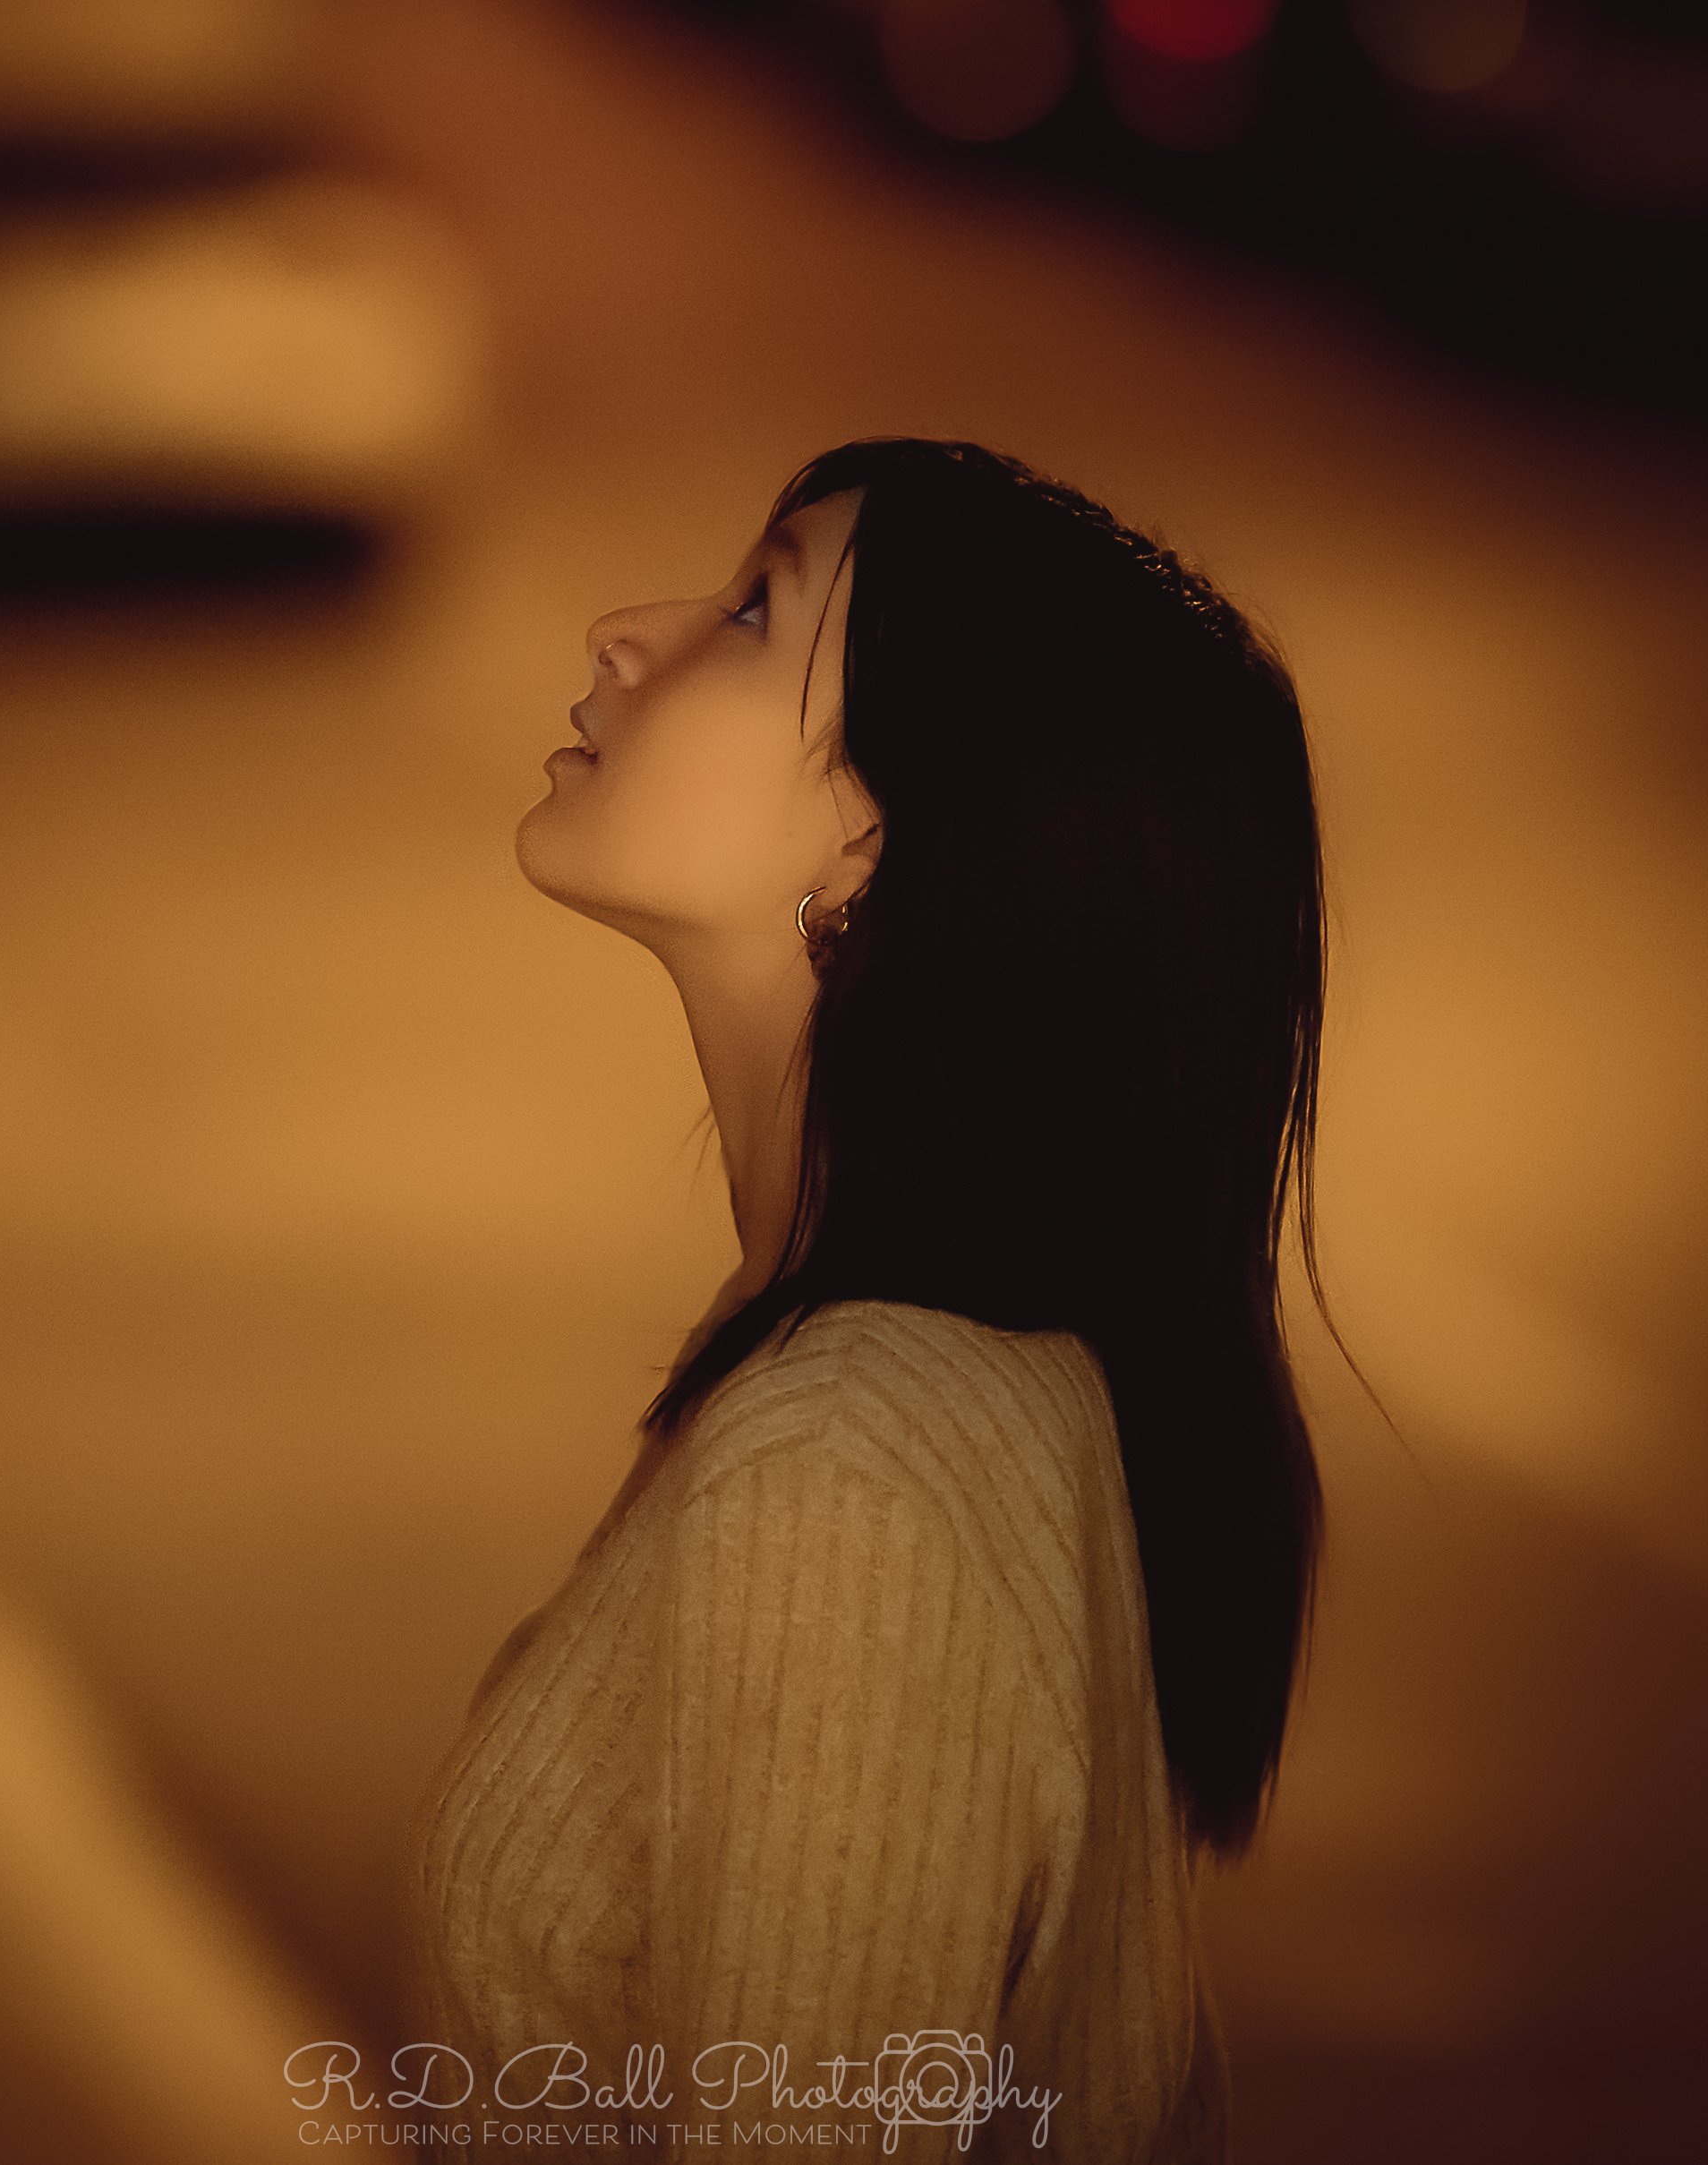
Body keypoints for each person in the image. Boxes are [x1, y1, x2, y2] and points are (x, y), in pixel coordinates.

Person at [402, 436, 1339, 2162]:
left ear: (880, 831)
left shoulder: (850, 1462)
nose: (625, 629)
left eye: (755, 613)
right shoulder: (890, 1373)